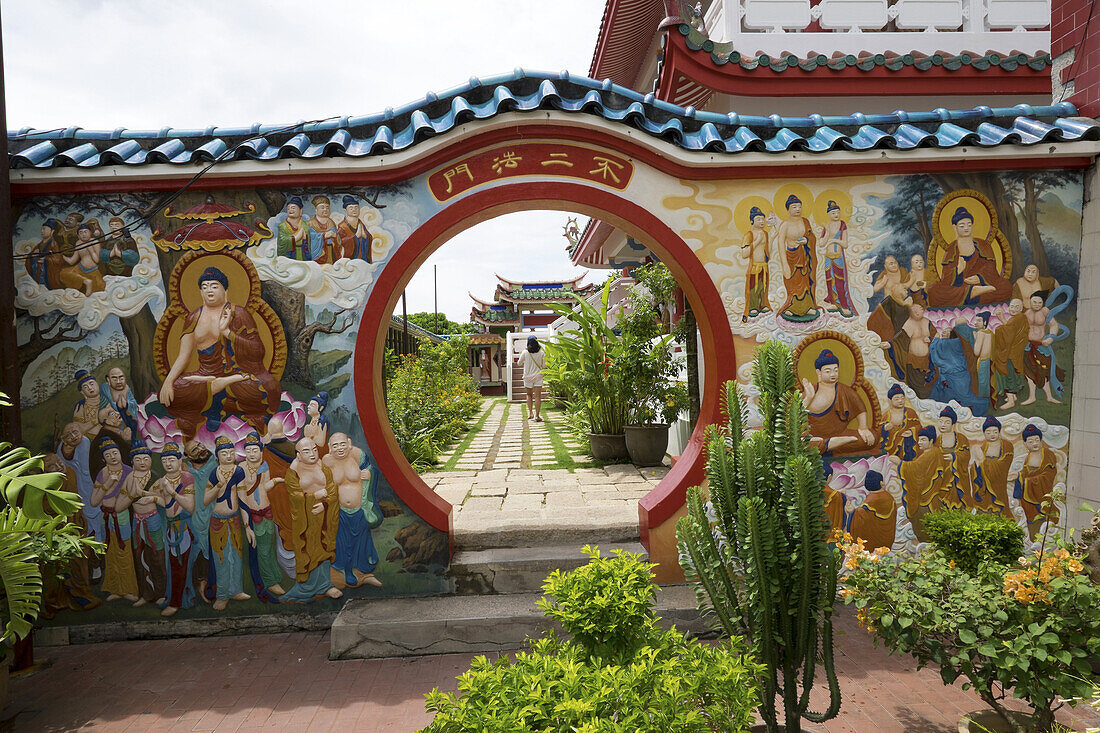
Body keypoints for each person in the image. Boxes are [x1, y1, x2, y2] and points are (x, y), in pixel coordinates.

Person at [157, 265, 281, 440]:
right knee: (171, 390)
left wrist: (227, 333)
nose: (209, 290)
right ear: (200, 292)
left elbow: (258, 351)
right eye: (205, 286)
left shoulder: (239, 313)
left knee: (267, 388)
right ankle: (216, 387)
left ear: (225, 290)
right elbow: (183, 356)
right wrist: (169, 381)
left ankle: (215, 394)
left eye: (214, 286)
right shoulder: (193, 318)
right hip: (206, 374)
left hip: (239, 375)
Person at [281, 438, 343, 603]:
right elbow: (294, 496)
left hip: (323, 517)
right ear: (299, 455)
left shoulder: (323, 467)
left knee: (323, 546)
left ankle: (326, 585)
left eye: (314, 449)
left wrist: (324, 504)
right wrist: (313, 497)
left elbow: (332, 490)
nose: (312, 453)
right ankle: (305, 588)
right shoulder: (293, 472)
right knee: (307, 550)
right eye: (306, 451)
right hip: (305, 520)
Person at [324, 433, 383, 588]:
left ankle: (364, 572)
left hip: (359, 508)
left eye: (342, 444)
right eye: (335, 445)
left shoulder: (357, 455)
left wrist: (370, 474)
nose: (340, 448)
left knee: (361, 541)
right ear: (330, 448)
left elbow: (371, 469)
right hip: (340, 510)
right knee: (344, 542)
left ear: (349, 443)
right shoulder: (327, 461)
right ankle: (348, 571)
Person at [202, 436, 252, 611]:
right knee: (221, 559)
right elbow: (206, 500)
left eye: (231, 452)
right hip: (218, 520)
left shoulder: (238, 471)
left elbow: (243, 499)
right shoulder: (214, 473)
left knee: (236, 556)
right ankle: (222, 595)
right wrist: (218, 487)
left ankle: (236, 590)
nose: (229, 456)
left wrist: (247, 527)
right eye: (224, 453)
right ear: (217, 456)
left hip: (235, 519)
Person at [927, 206, 1011, 307]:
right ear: (955, 227)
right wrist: (958, 271)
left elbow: (991, 269)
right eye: (962, 226)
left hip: (981, 284)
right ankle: (972, 292)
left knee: (1006, 286)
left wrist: (980, 277)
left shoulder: (983, 245)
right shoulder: (952, 248)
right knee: (934, 292)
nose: (966, 228)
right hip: (959, 287)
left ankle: (971, 294)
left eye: (969, 225)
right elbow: (945, 278)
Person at [117, 442, 166, 608]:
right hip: (137, 521)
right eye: (138, 459)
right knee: (139, 557)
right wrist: (132, 496)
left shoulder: (155, 477)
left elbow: (164, 502)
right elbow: (118, 506)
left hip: (152, 520)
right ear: (132, 462)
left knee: (157, 557)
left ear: (151, 461)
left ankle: (160, 593)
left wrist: (148, 496)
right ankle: (146, 594)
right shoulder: (129, 478)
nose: (142, 462)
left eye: (146, 458)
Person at [90, 438, 139, 602]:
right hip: (106, 517)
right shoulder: (102, 473)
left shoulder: (128, 472)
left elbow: (128, 497)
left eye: (115, 453)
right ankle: (115, 588)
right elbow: (94, 501)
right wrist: (108, 483)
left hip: (121, 516)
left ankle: (128, 588)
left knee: (124, 551)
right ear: (103, 459)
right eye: (108, 454)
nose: (112, 457)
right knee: (110, 552)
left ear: (120, 454)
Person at [236, 431, 285, 597]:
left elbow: (265, 486)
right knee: (262, 550)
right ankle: (269, 582)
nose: (251, 453)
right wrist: (246, 524)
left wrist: (277, 481)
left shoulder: (264, 466)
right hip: (253, 514)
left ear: (261, 451)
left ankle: (275, 576)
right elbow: (242, 497)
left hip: (267, 511)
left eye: (255, 450)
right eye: (248, 450)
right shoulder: (241, 469)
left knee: (268, 547)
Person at [150, 442, 196, 616]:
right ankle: (170, 596)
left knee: (180, 564)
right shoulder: (163, 480)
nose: (168, 464)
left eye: (171, 460)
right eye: (164, 461)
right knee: (172, 564)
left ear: (179, 460)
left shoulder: (187, 478)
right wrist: (152, 498)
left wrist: (173, 492)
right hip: (171, 527)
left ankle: (177, 601)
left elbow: (190, 507)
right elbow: (166, 504)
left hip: (183, 526)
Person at [801, 349, 874, 455]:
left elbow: (860, 407)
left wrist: (863, 427)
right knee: (801, 444)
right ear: (819, 372)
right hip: (812, 436)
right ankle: (828, 444)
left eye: (835, 370)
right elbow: (794, 416)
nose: (833, 374)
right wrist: (808, 398)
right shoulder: (811, 389)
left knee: (871, 437)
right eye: (828, 371)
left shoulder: (844, 390)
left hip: (840, 434)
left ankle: (827, 445)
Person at [773, 194, 819, 321]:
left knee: (805, 281)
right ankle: (791, 308)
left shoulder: (805, 222)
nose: (798, 209)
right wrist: (785, 265)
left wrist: (807, 240)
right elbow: (780, 245)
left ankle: (808, 306)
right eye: (794, 207)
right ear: (788, 209)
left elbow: (812, 237)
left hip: (804, 256)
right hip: (791, 257)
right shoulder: (785, 225)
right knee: (793, 283)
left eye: (799, 206)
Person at [1010, 424, 1059, 538]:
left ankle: (1042, 543)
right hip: (1028, 498)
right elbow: (1026, 474)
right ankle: (1033, 541)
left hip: (1042, 493)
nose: (1035, 443)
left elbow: (1048, 475)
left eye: (1037, 440)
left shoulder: (1048, 455)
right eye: (1030, 441)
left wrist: (1026, 481)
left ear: (1041, 440)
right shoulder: (1028, 456)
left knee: (1044, 520)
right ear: (1025, 444)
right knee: (1032, 522)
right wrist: (1017, 476)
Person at [1021, 290, 1065, 405]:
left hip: (1041, 345)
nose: (1036, 304)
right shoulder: (1026, 313)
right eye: (1034, 302)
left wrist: (1050, 337)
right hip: (1027, 345)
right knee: (1028, 370)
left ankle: (1049, 396)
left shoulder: (1045, 311)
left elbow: (1054, 325)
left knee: (1044, 369)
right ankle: (1032, 396)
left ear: (1043, 303)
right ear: (1030, 302)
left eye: (1039, 302)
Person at [818, 200, 855, 317]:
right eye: (833, 213)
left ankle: (843, 305)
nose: (836, 215)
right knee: (830, 280)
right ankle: (834, 302)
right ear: (829, 214)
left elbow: (845, 244)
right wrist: (828, 232)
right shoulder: (827, 227)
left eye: (838, 212)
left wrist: (834, 240)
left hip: (838, 257)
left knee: (839, 281)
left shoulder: (842, 225)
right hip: (828, 258)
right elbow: (821, 243)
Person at [992, 298, 1029, 410]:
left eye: (1017, 307)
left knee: (1007, 372)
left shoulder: (1017, 319)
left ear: (1021, 308)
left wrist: (1001, 319)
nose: (1013, 309)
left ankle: (1011, 400)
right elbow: (1011, 331)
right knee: (1013, 371)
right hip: (1015, 351)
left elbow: (1008, 333)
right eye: (1012, 306)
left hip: (1010, 353)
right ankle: (1013, 396)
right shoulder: (1021, 318)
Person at [739, 206, 771, 321]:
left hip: (764, 266)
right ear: (752, 221)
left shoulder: (766, 234)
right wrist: (756, 242)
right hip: (754, 266)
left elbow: (768, 252)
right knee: (753, 287)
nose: (761, 221)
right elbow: (744, 253)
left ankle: (762, 304)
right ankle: (753, 306)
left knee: (763, 286)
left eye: (763, 219)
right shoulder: (749, 235)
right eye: (758, 219)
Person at [977, 417, 1013, 516]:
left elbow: (1005, 463)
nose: (992, 435)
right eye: (988, 432)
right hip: (985, 482)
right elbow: (977, 464)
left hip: (998, 482)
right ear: (984, 434)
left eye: (995, 432)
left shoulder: (1006, 445)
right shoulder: (984, 446)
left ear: (999, 432)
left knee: (999, 504)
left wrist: (985, 464)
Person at [58, 222, 106, 295]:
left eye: (85, 232)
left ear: (90, 233)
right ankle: (86, 281)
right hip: (79, 269)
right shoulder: (78, 243)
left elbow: (97, 260)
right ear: (78, 235)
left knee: (99, 288)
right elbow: (72, 261)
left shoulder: (94, 241)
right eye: (81, 233)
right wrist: (61, 255)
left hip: (92, 271)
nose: (83, 234)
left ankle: (87, 282)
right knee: (63, 273)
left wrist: (91, 250)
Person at [880, 384, 922, 461]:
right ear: (890, 400)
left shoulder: (910, 412)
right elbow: (879, 431)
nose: (900, 401)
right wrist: (884, 428)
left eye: (902, 398)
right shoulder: (886, 415)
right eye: (897, 399)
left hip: (908, 443)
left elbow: (918, 426)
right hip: (891, 444)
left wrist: (911, 431)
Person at [26, 218, 64, 289]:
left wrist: (46, 260)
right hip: (37, 272)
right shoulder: (39, 245)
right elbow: (30, 257)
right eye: (42, 229)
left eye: (44, 229)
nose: (42, 231)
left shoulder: (53, 244)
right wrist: (33, 255)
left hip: (46, 274)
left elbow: (58, 259)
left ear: (52, 231)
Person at [336, 195, 372, 262]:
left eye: (356, 208)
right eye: (351, 208)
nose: (354, 210)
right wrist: (355, 237)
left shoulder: (360, 224)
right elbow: (339, 242)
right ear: (345, 210)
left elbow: (369, 237)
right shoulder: (342, 226)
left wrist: (365, 236)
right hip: (350, 258)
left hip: (362, 257)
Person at [519, 335, 545, 421]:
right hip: (538, 376)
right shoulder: (541, 352)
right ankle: (537, 415)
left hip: (527, 377)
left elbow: (519, 363)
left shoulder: (525, 352)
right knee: (537, 397)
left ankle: (530, 413)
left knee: (529, 395)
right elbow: (544, 366)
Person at [307, 195, 340, 263]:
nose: (325, 209)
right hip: (319, 253)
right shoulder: (311, 223)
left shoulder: (331, 222)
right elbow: (311, 237)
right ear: (316, 210)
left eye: (327, 207)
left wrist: (335, 236)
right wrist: (324, 235)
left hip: (330, 251)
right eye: (322, 207)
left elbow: (337, 236)